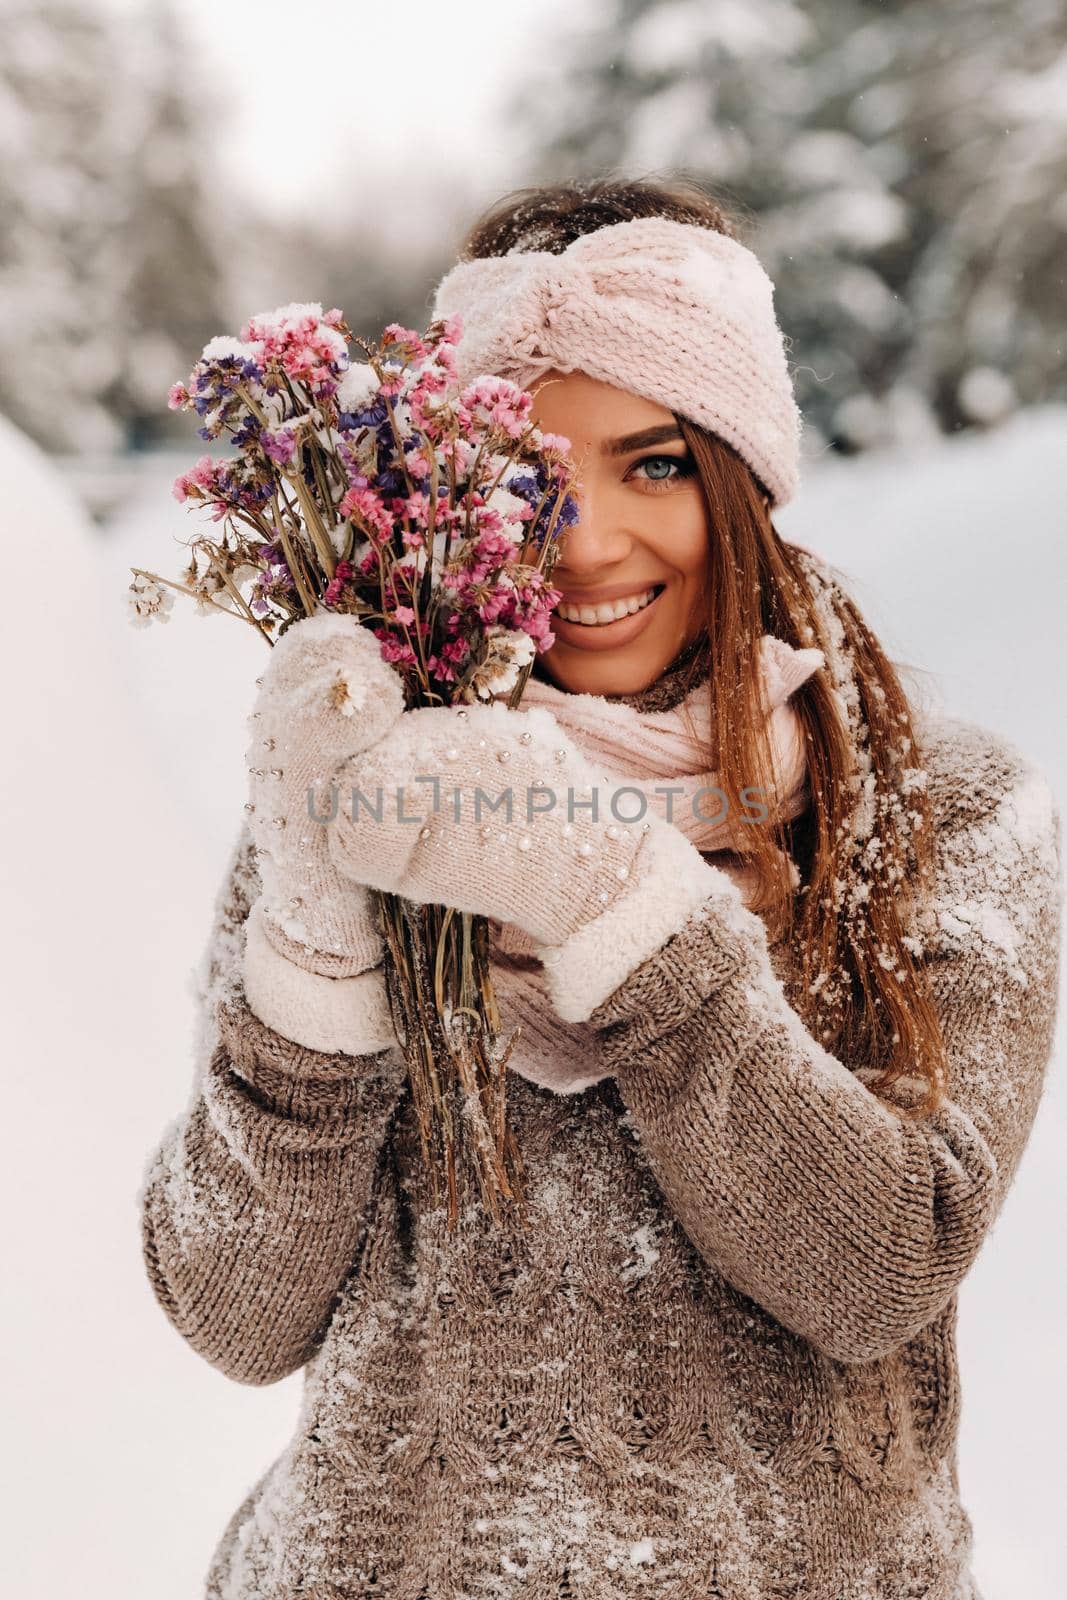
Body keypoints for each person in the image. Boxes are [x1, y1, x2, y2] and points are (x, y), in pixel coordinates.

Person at [139, 178, 1063, 1599]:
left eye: (658, 465)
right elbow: (236, 1312)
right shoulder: (370, 785)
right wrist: (320, 945)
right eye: (527, 476)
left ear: (745, 476)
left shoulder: (941, 809)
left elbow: (880, 1271)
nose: (584, 542)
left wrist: (619, 902)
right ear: (442, 496)